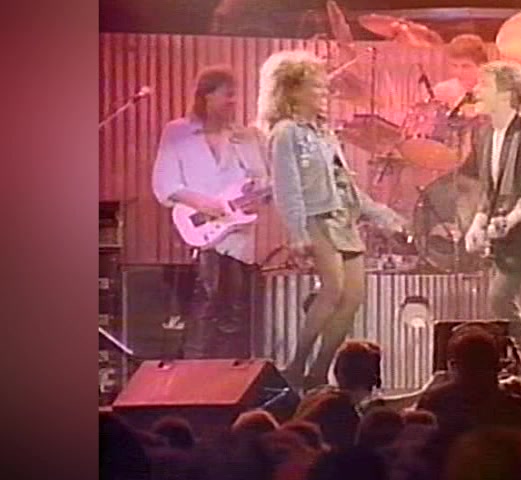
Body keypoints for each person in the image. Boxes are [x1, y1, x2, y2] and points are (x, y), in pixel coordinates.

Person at [257, 50, 408, 389]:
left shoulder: (324, 133)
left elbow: (346, 185)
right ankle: (296, 365)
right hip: (315, 218)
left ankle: (317, 372)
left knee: (352, 297)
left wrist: (383, 215)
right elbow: (287, 187)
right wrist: (297, 233)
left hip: (344, 219)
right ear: (293, 90)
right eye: (316, 86)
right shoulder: (286, 133)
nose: (324, 92)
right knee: (333, 289)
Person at [152, 65, 270, 359]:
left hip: (238, 235)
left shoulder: (247, 137)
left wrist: (259, 199)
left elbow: (264, 183)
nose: (233, 102)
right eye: (227, 95)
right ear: (206, 96)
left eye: (235, 95)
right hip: (197, 228)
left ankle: (230, 372)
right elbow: (164, 183)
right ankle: (195, 370)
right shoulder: (177, 132)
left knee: (235, 311)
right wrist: (202, 203)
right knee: (207, 301)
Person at [461, 60, 521, 387]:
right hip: (501, 229)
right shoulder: (486, 135)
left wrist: (508, 221)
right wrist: (477, 224)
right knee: (500, 302)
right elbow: (489, 189)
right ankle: (516, 373)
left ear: (506, 95)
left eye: (484, 86)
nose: (476, 91)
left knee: (500, 298)